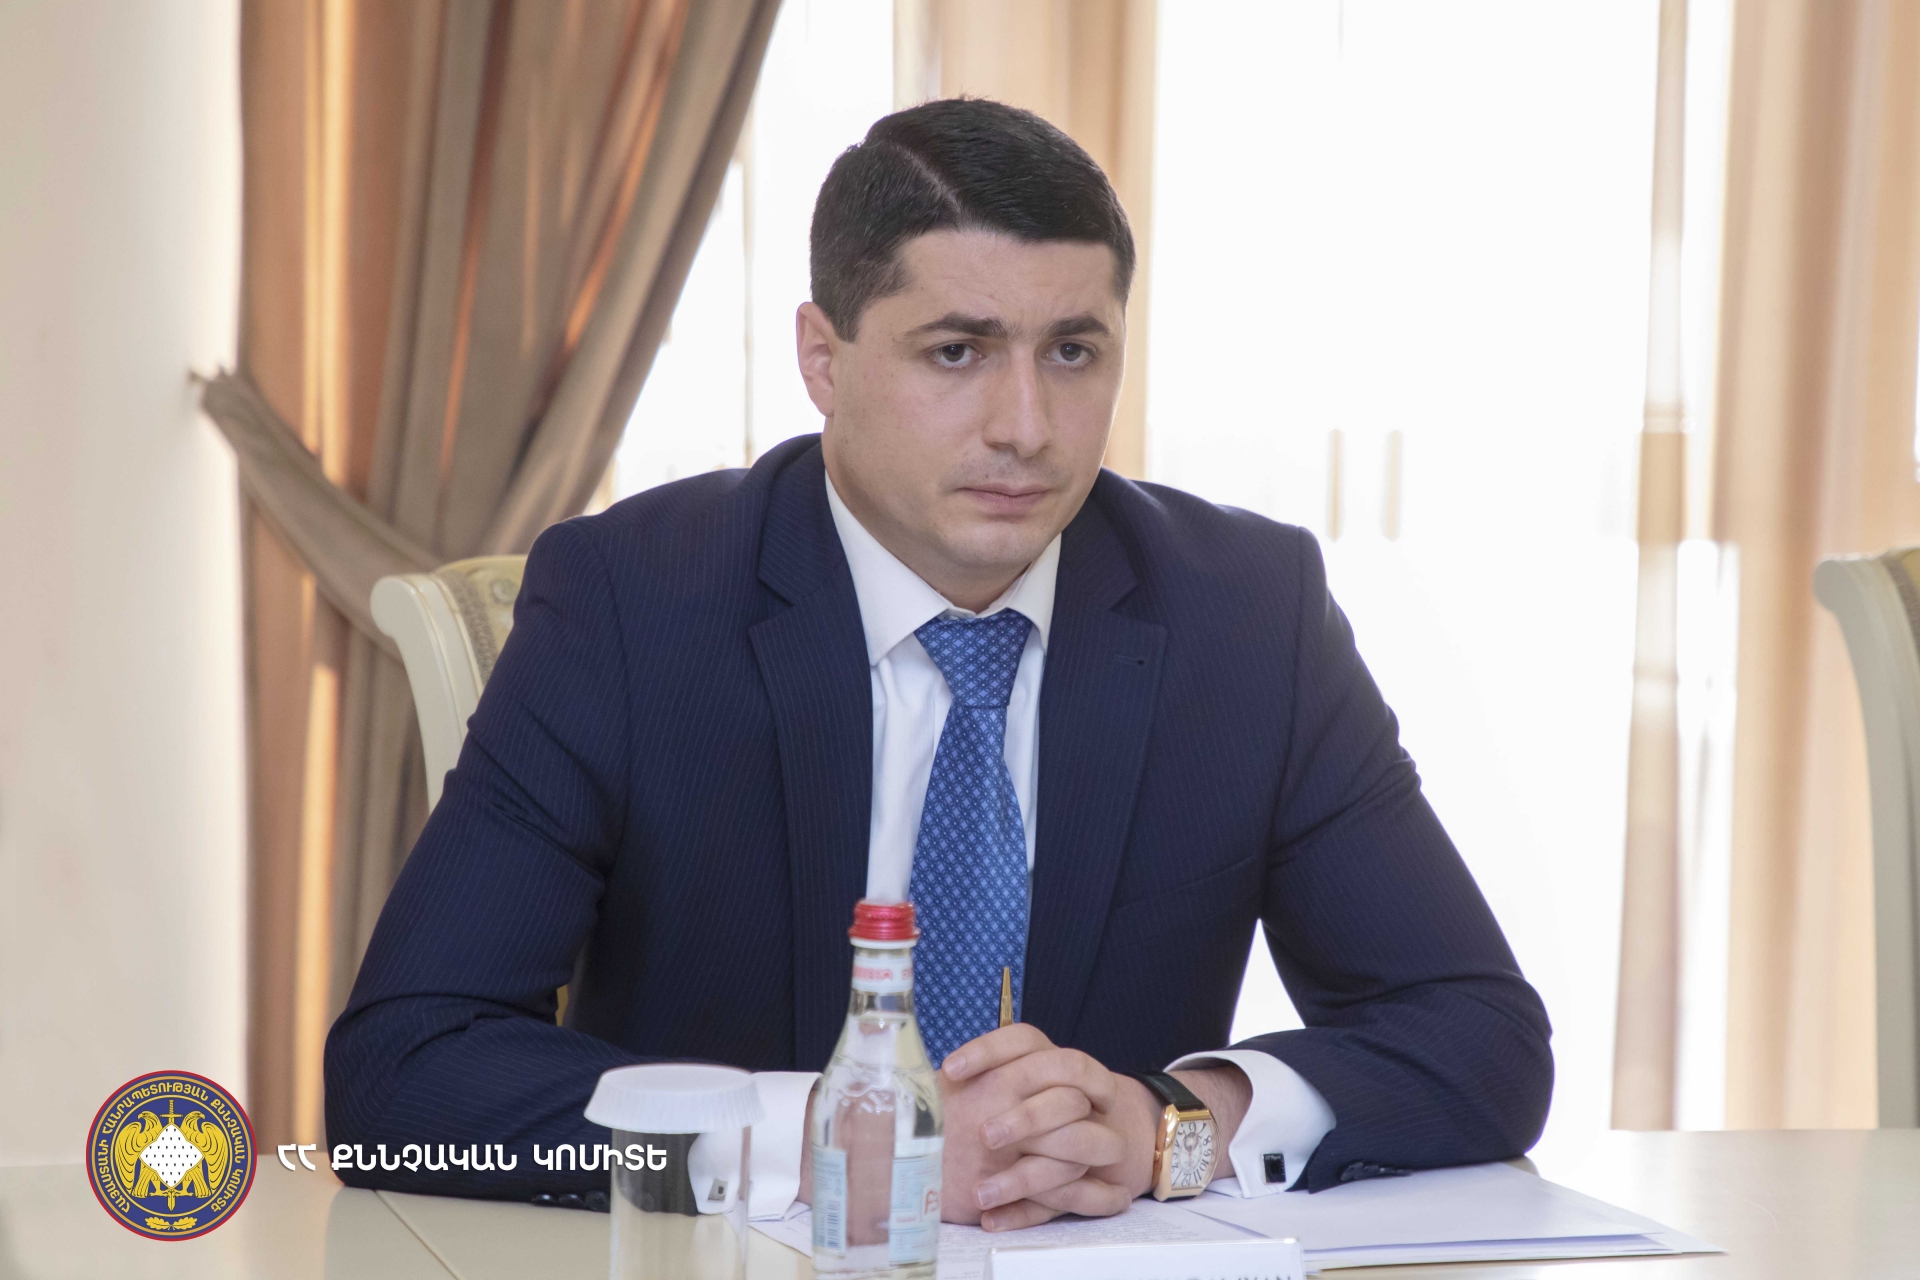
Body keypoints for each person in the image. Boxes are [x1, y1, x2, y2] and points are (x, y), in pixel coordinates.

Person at [326, 97, 1551, 1230]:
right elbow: (402, 1070)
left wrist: (1173, 1122)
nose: (1026, 426)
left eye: (1073, 352)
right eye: (958, 351)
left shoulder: (1246, 615)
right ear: (823, 358)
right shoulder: (634, 603)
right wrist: (844, 1139)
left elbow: (1482, 1035)